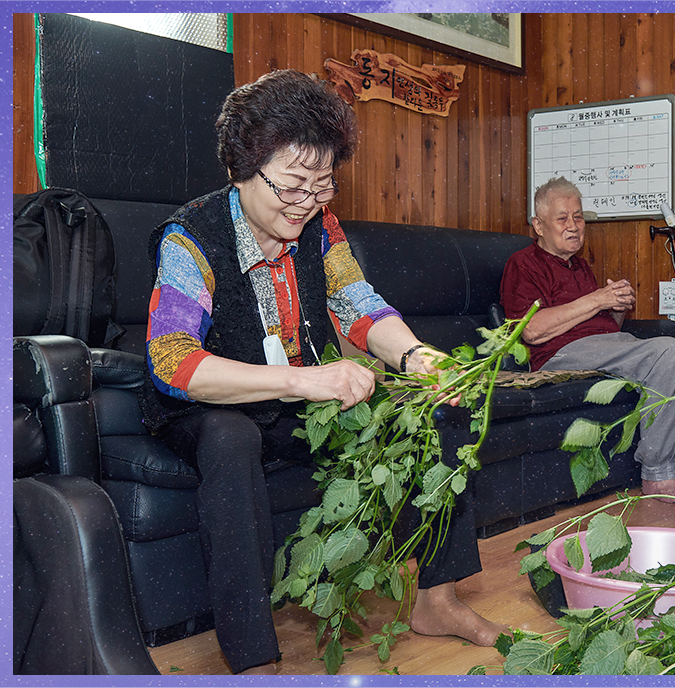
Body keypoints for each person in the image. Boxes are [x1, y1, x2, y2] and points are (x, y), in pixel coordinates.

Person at [139, 69, 503, 674]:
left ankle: (437, 600)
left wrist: (417, 357)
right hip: (208, 406)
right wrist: (304, 380)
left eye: (322, 185)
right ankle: (253, 658)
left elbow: (357, 304)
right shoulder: (191, 238)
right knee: (231, 438)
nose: (307, 202)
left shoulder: (318, 228)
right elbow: (173, 362)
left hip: (296, 401)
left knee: (438, 412)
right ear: (239, 170)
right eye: (291, 185)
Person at [500, 177, 675, 501]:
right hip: (560, 354)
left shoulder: (580, 266)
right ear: (538, 225)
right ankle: (658, 474)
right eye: (562, 218)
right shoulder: (523, 264)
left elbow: (601, 328)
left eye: (578, 216)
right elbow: (531, 330)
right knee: (667, 351)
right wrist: (598, 299)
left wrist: (616, 309)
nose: (573, 226)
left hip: (607, 346)